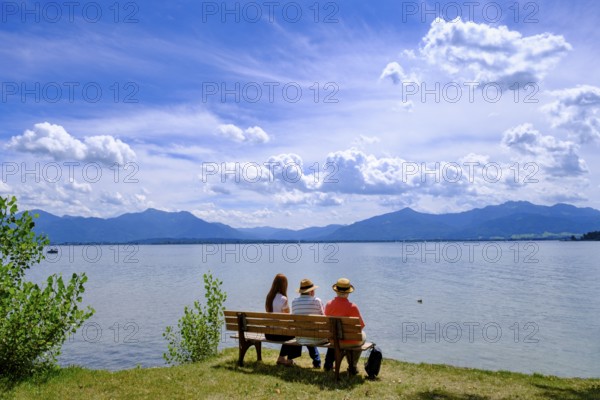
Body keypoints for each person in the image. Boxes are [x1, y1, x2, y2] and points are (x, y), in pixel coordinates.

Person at [323, 278, 366, 376]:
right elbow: (360, 327)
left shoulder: (329, 305)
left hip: (334, 341)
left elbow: (327, 326)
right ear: (348, 293)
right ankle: (353, 366)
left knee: (335, 333)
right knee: (362, 335)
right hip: (349, 342)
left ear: (336, 291)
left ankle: (328, 363)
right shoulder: (353, 307)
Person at [265, 273, 301, 366]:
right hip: (278, 334)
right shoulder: (283, 299)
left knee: (289, 333)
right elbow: (288, 318)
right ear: (284, 285)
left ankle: (281, 358)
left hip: (268, 333)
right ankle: (289, 360)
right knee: (295, 334)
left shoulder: (269, 297)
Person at [291, 278, 327, 368]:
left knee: (307, 332)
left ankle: (317, 361)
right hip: (317, 338)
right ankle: (324, 363)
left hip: (300, 337)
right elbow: (325, 320)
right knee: (312, 333)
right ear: (311, 292)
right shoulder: (317, 301)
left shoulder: (294, 302)